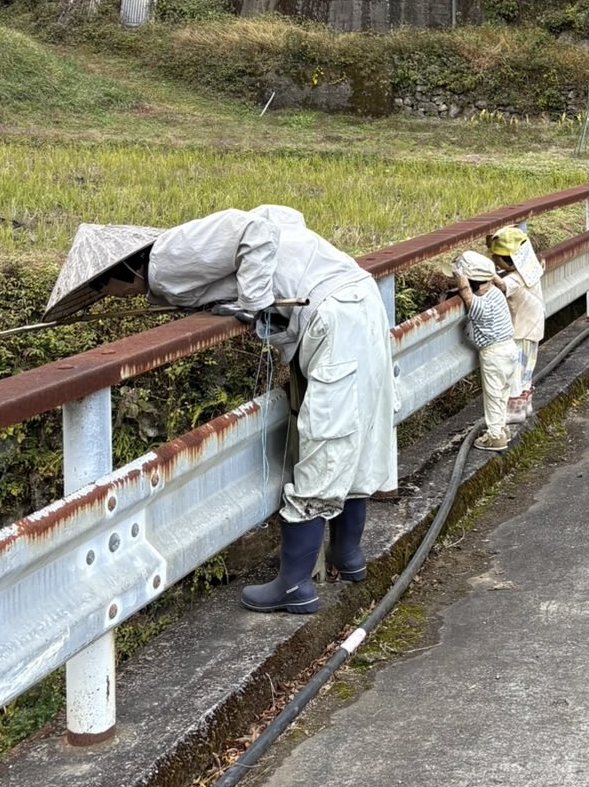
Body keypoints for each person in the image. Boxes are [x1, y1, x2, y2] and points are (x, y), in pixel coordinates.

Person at [43, 205, 399, 615]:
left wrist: (253, 299)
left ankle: (295, 585)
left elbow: (257, 229)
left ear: (118, 273)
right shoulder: (166, 269)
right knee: (356, 428)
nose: (110, 299)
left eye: (104, 291)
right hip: (356, 300)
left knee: (327, 436)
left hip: (334, 315)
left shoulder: (167, 255)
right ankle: (348, 557)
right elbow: (283, 216)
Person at [453, 250, 517, 452]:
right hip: (510, 348)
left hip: (494, 354)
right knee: (503, 393)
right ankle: (503, 427)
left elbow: (465, 294)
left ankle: (495, 436)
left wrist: (460, 279)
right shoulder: (496, 293)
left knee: (493, 395)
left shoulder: (479, 304)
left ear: (471, 283)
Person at [486, 225, 545, 423]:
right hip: (534, 325)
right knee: (527, 368)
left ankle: (514, 411)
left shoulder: (514, 278)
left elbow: (503, 286)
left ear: (506, 260)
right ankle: (526, 405)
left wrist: (486, 272)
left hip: (522, 329)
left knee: (515, 371)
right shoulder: (530, 268)